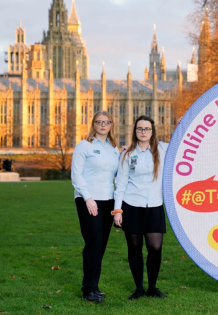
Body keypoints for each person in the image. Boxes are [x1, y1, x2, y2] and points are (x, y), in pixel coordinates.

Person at [112, 115, 169, 300]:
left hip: (154, 205)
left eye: (146, 129)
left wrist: (183, 123)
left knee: (155, 247)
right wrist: (118, 211)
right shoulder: (128, 154)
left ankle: (152, 287)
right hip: (131, 206)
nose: (143, 132)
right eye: (139, 129)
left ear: (152, 131)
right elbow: (120, 184)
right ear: (135, 131)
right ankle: (139, 288)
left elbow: (182, 143)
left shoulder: (162, 149)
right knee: (134, 247)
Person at [71, 111, 120, 302]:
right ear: (94, 124)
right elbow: (76, 175)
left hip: (108, 199)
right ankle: (88, 289)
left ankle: (94, 286)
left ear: (111, 125)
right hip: (88, 199)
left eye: (106, 122)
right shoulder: (84, 146)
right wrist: (88, 198)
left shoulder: (114, 149)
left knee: (101, 245)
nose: (103, 125)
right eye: (99, 122)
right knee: (94, 242)